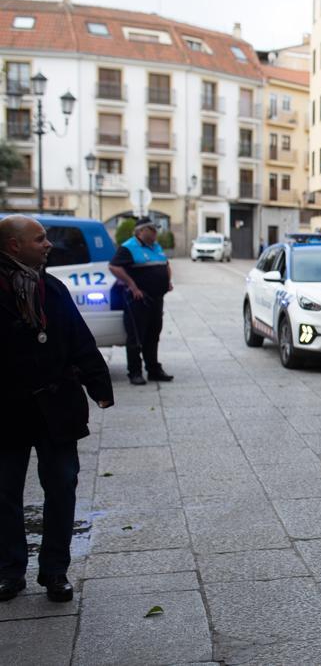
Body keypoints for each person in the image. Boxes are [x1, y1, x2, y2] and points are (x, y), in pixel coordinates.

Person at [0, 216, 114, 603]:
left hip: (57, 408)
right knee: (4, 493)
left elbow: (78, 338)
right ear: (14, 246)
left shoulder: (52, 288)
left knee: (62, 488)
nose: (48, 244)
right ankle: (9, 571)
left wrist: (98, 384)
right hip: (7, 410)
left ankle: (55, 572)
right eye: (40, 239)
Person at [108, 217, 174, 385]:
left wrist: (167, 281)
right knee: (136, 336)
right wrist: (133, 286)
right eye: (151, 230)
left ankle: (153, 370)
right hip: (138, 300)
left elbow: (165, 264)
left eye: (155, 230)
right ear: (140, 231)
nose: (155, 233)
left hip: (157, 299)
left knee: (153, 335)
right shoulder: (128, 247)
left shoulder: (156, 246)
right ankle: (135, 372)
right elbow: (114, 267)